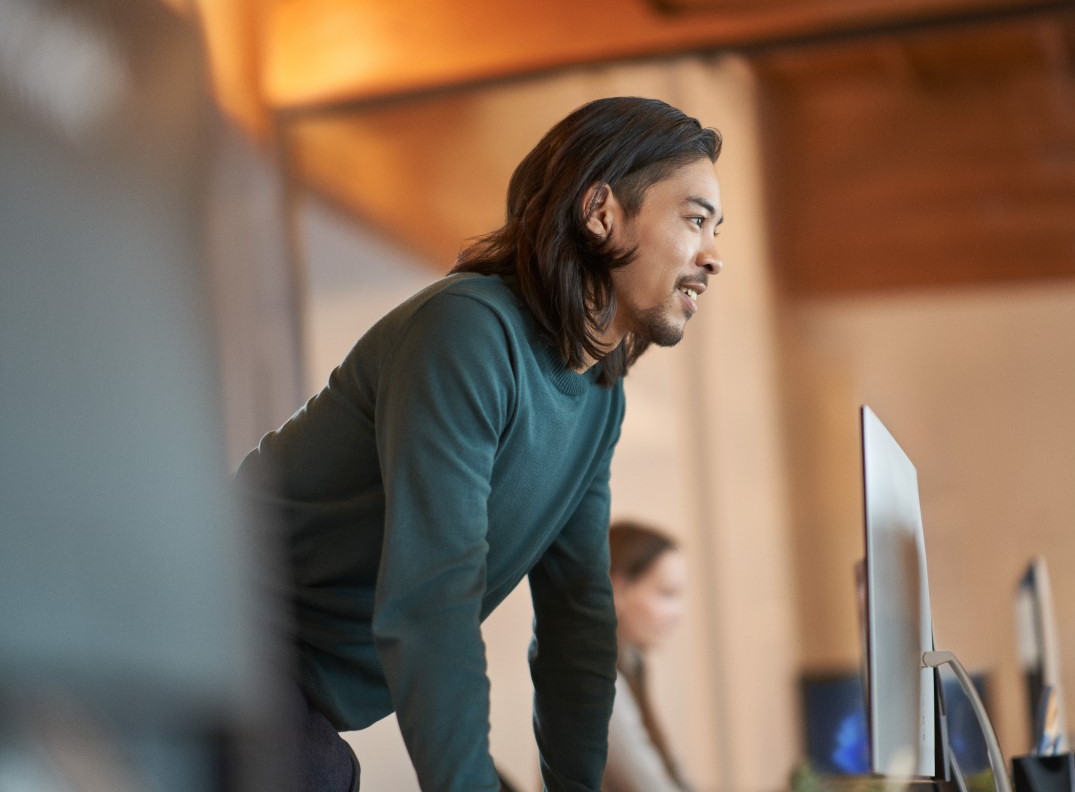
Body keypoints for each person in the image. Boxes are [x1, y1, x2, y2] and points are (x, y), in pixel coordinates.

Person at [232, 96, 724, 791]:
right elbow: (431, 604)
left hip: (290, 689)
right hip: (211, 629)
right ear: (601, 212)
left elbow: (577, 622)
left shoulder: (598, 398)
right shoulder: (467, 332)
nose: (713, 255)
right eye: (695, 220)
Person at [604, 521, 693, 792]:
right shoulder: (598, 681)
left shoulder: (631, 665)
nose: (679, 612)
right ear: (618, 589)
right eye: (667, 594)